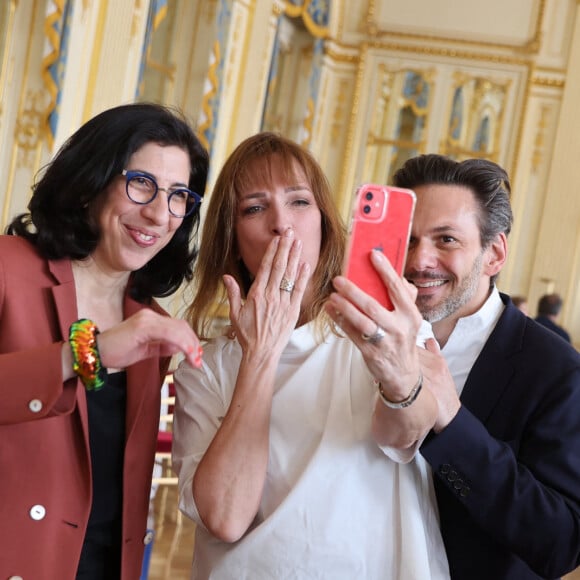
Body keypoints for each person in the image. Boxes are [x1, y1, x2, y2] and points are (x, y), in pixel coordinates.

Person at [172, 132, 450, 579]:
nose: (282, 223)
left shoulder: (384, 326)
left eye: (299, 202)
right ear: (232, 237)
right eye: (255, 208)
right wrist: (260, 354)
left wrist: (396, 366)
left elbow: (408, 433)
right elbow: (225, 517)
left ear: (323, 219)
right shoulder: (205, 367)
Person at [0, 102, 208, 579]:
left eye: (179, 195)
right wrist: (87, 353)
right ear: (92, 182)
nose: (159, 214)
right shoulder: (9, 269)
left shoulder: (151, 322)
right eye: (142, 184)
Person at [355, 153, 579, 579]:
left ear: (494, 254)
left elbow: (560, 542)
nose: (420, 261)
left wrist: (452, 421)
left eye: (446, 240)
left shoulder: (557, 372)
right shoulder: (360, 340)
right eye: (411, 239)